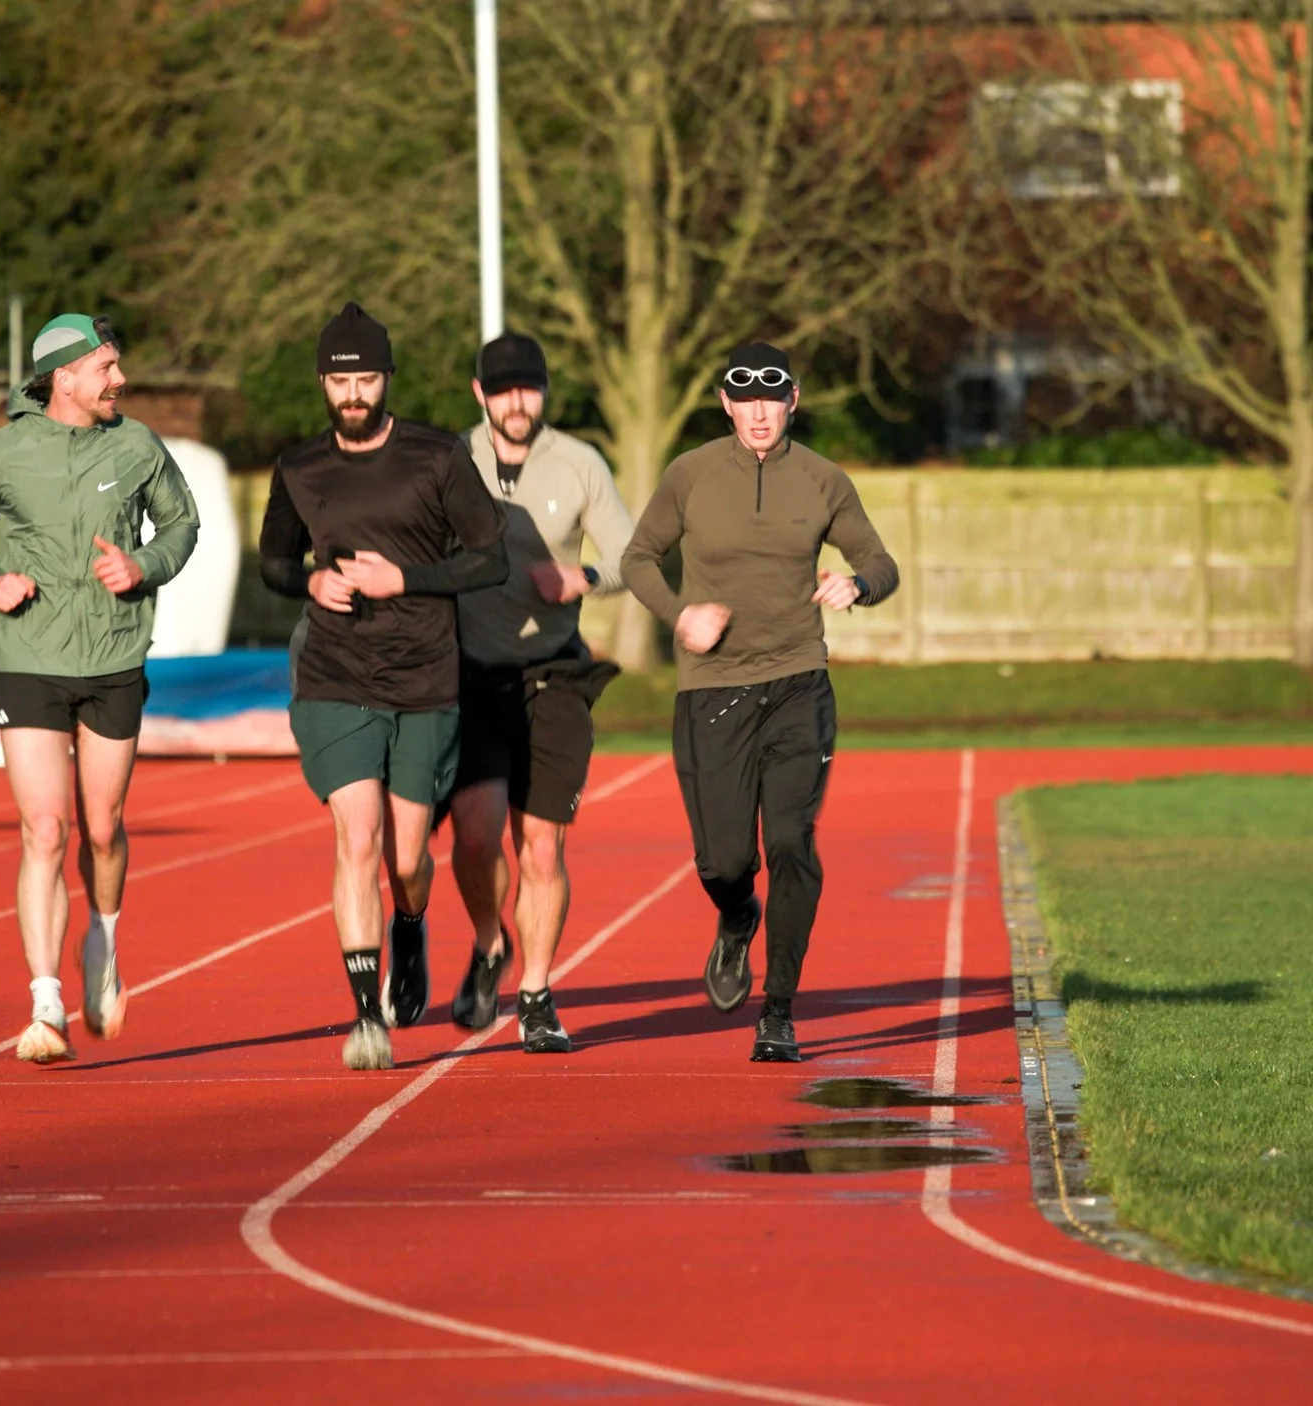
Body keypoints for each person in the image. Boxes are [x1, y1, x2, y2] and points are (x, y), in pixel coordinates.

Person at [620, 343, 899, 1063]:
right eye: (744, 400)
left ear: (793, 401)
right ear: (726, 404)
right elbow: (637, 558)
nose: (758, 413)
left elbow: (880, 562)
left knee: (790, 845)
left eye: (771, 399)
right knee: (723, 861)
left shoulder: (823, 480)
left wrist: (858, 586)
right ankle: (736, 917)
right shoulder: (691, 475)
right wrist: (681, 614)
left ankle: (778, 1010)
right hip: (712, 691)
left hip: (798, 685)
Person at [0, 313, 201, 1064]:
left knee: (103, 827)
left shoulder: (136, 444)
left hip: (115, 653)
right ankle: (45, 1001)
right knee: (44, 830)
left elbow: (180, 523)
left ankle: (106, 939)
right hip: (27, 653)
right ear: (66, 377)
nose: (119, 380)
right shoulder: (4, 451)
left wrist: (142, 567)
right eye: (107, 368)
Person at [257, 303, 507, 1071]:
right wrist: (310, 580)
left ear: (387, 380)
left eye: (366, 378)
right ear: (323, 386)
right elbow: (271, 562)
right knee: (355, 839)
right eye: (341, 381)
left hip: (426, 677)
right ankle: (368, 1018)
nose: (354, 393)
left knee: (406, 860)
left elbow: (489, 558)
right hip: (336, 677)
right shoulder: (299, 469)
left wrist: (409, 579)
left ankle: (411, 923)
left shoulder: (437, 458)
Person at [440, 333, 633, 1054]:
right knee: (475, 834)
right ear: (479, 394)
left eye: (529, 388)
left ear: (544, 391)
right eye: (503, 390)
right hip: (474, 676)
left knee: (543, 849)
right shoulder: (451, 460)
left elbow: (631, 555)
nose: (517, 403)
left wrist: (580, 579)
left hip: (555, 673)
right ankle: (491, 945)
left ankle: (537, 994)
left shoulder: (580, 463)